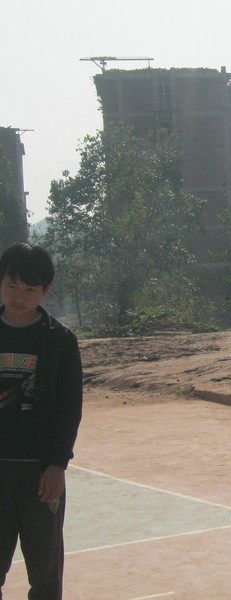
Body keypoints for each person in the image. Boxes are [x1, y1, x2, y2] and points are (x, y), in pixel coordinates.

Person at [0, 243, 83, 600]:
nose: (19, 296)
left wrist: (57, 464)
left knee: (46, 575)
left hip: (39, 473)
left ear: (46, 291)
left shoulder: (58, 341)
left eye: (30, 289)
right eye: (12, 286)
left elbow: (69, 408)